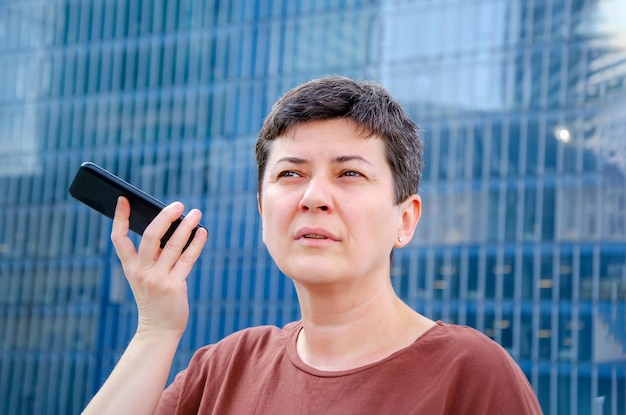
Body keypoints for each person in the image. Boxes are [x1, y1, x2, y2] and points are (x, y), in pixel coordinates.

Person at [82, 76, 543, 414]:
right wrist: (156, 330)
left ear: (405, 219)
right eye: (290, 173)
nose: (313, 197)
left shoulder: (469, 373)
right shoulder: (224, 370)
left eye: (349, 173)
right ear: (263, 212)